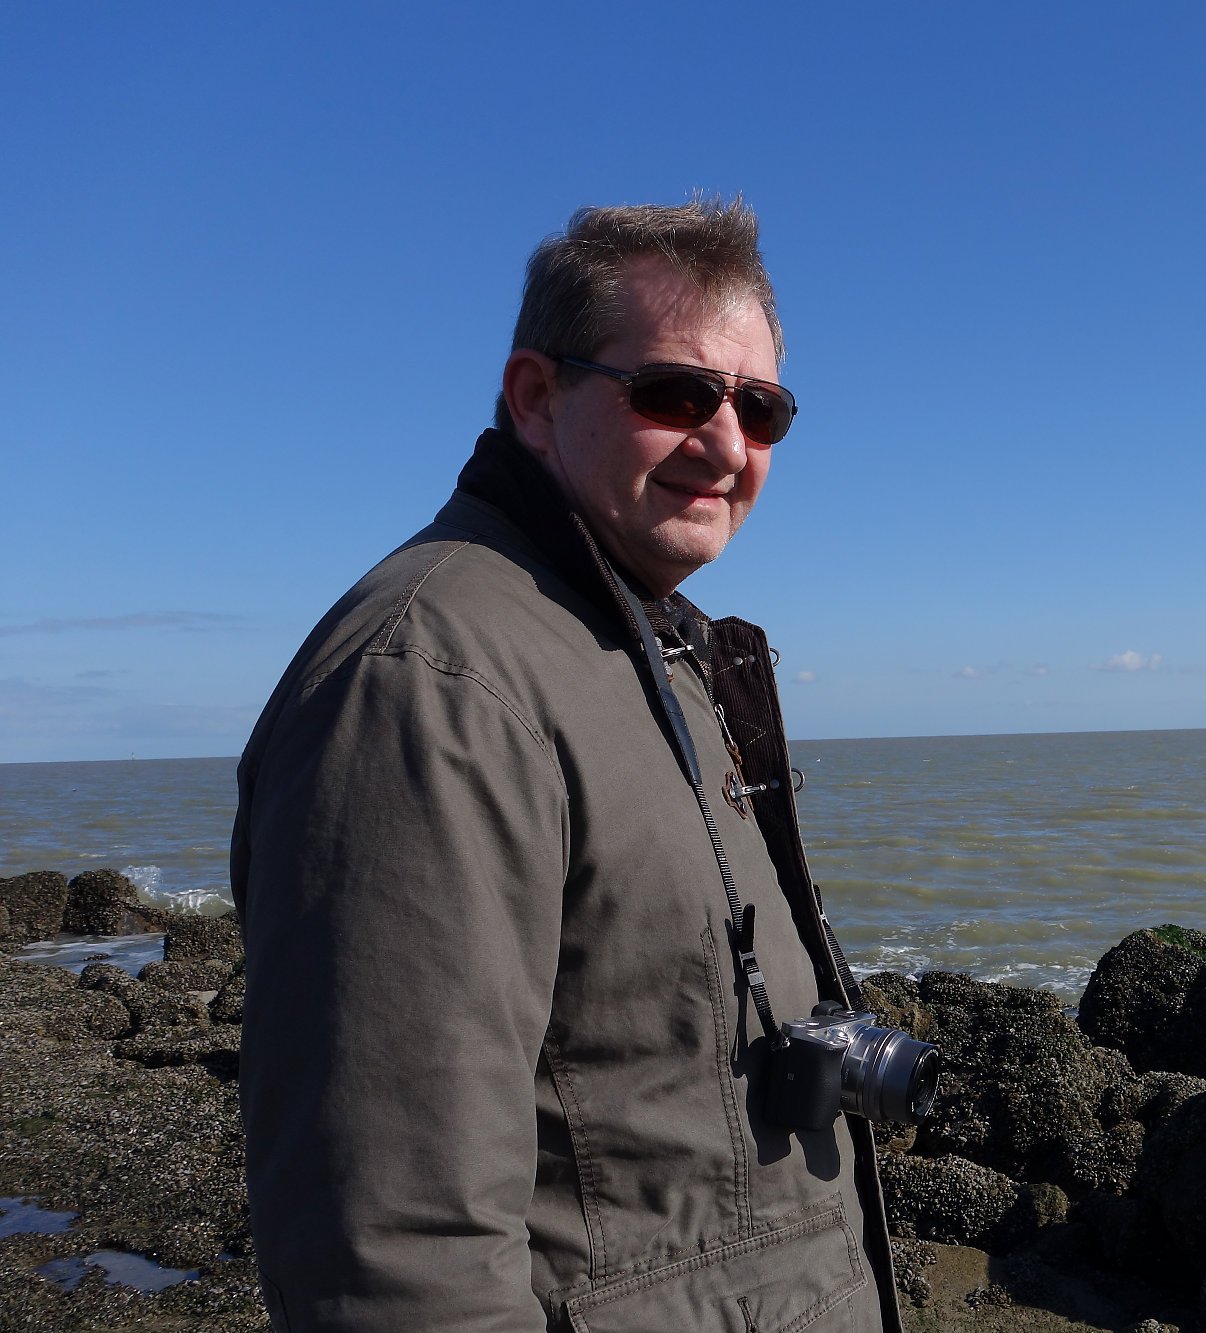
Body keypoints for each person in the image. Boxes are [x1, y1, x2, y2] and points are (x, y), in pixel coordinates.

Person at [231, 200, 899, 1332]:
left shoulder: (639, 646)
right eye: (674, 393)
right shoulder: (430, 683)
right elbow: (397, 1250)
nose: (726, 444)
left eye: (760, 408)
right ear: (537, 397)